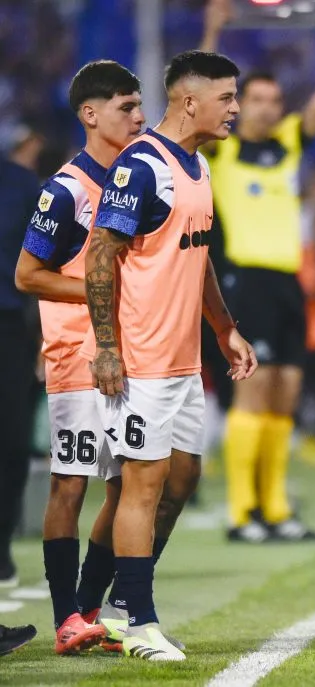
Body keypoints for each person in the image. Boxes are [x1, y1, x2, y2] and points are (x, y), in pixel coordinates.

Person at [83, 50, 257, 661]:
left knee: (182, 479)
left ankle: (102, 608)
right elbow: (102, 252)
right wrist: (107, 348)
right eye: (228, 97)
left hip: (185, 360)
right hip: (143, 361)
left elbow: (198, 254)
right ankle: (137, 621)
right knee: (142, 487)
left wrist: (225, 328)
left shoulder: (198, 166)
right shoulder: (143, 166)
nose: (235, 108)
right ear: (190, 101)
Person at [200, 0, 315, 543]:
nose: (267, 109)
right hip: (246, 281)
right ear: (239, 106)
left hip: (290, 283)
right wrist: (215, 29)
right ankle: (242, 512)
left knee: (287, 392)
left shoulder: (289, 144)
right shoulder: (219, 153)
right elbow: (200, 87)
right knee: (254, 391)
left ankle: (274, 508)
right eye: (257, 100)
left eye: (274, 101)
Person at [14, 60, 145, 655]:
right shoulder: (64, 190)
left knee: (126, 486)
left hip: (127, 350)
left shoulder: (135, 180)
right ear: (90, 114)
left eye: (140, 106)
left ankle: (91, 608)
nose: (140, 117)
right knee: (71, 484)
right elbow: (26, 275)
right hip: (76, 353)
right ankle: (66, 615)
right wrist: (102, 291)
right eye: (127, 107)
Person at [0, 153, 42, 589]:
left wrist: (45, 335)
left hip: (9, 328)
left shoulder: (22, 183)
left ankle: (1, 546)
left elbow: (43, 263)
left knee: (11, 444)